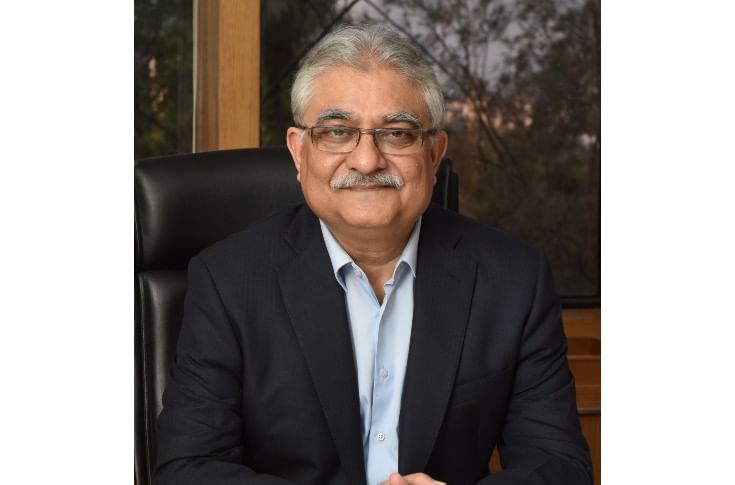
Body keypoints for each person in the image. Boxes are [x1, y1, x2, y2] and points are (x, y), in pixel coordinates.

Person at [155, 24, 592, 485]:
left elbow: (560, 466)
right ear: (299, 152)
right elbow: (189, 468)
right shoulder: (228, 281)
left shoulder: (513, 280)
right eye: (337, 131)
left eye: (397, 133)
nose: (366, 161)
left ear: (434, 154)